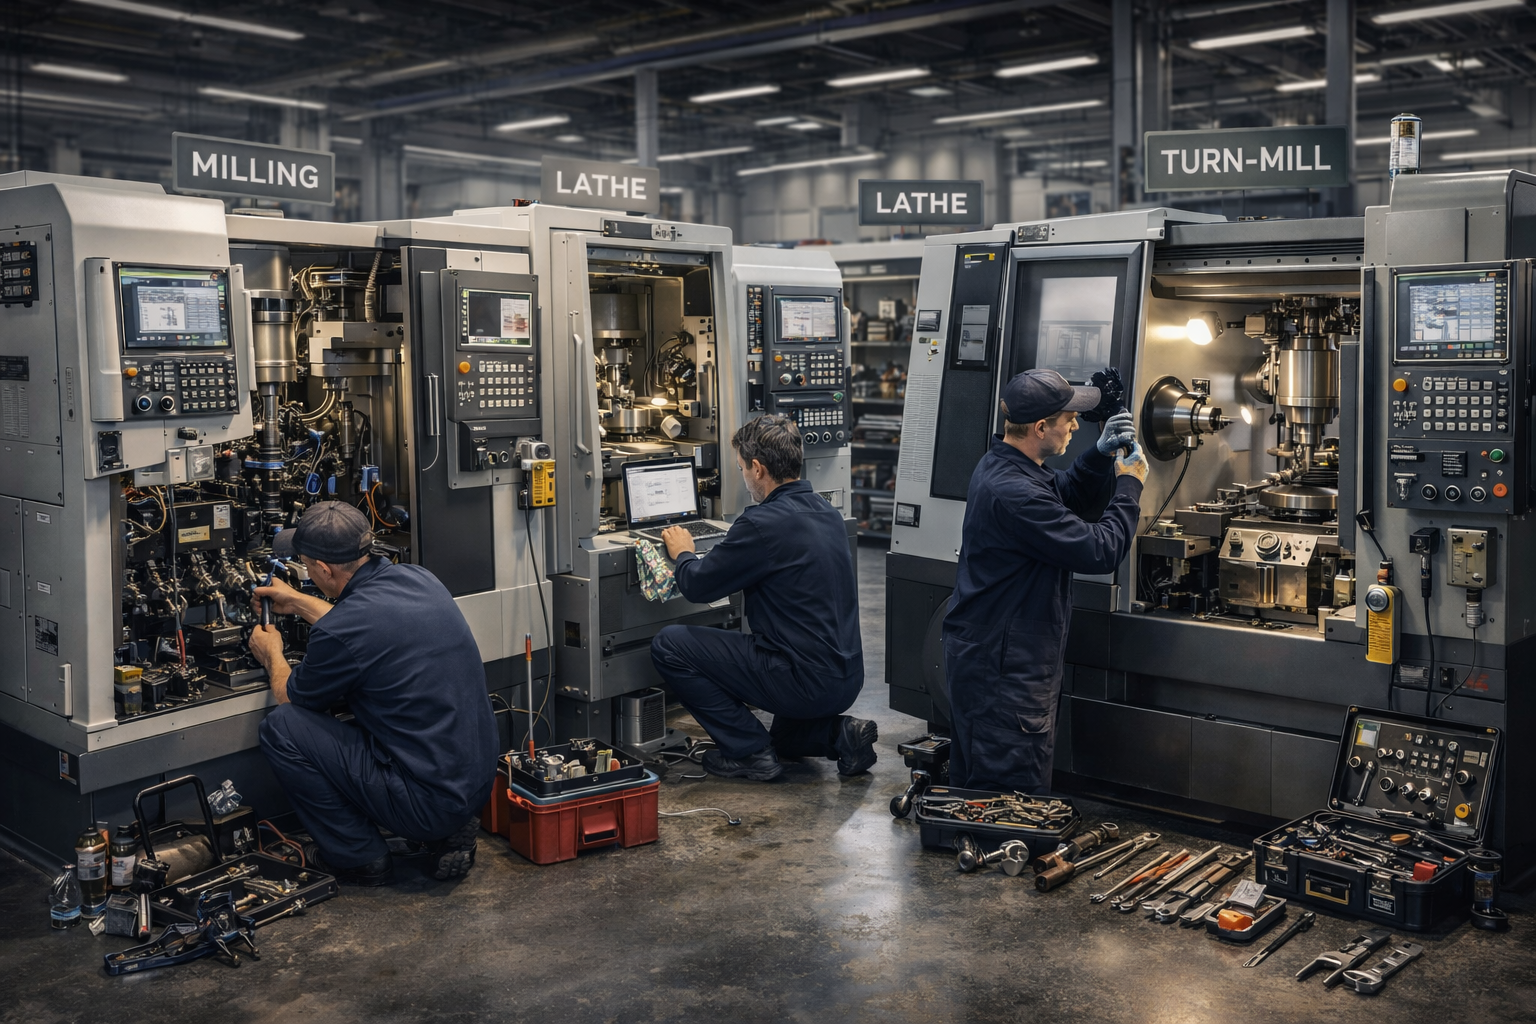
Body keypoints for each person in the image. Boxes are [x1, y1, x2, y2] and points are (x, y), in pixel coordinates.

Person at [246, 501, 497, 885]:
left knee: (283, 727)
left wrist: (272, 654)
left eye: (306, 564)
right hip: (474, 783)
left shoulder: (345, 629)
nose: (307, 570)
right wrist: (297, 602)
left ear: (323, 569)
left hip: (426, 801)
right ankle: (446, 827)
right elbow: (363, 626)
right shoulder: (419, 579)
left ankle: (358, 858)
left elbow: (290, 696)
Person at [942, 368, 1146, 793]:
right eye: (1069, 418)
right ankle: (1000, 853)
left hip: (998, 654)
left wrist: (1099, 456)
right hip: (1005, 669)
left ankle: (976, 846)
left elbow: (1063, 491)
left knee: (982, 786)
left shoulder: (1010, 464)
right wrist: (1129, 487)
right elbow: (1099, 549)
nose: (1076, 425)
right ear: (1039, 427)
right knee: (1009, 795)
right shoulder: (1014, 491)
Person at [649, 415, 875, 782]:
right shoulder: (826, 512)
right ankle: (842, 734)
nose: (742, 475)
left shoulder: (761, 523)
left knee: (670, 643)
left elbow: (698, 587)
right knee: (783, 738)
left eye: (740, 468)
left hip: (802, 681)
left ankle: (749, 754)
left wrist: (683, 552)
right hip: (845, 678)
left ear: (758, 468)